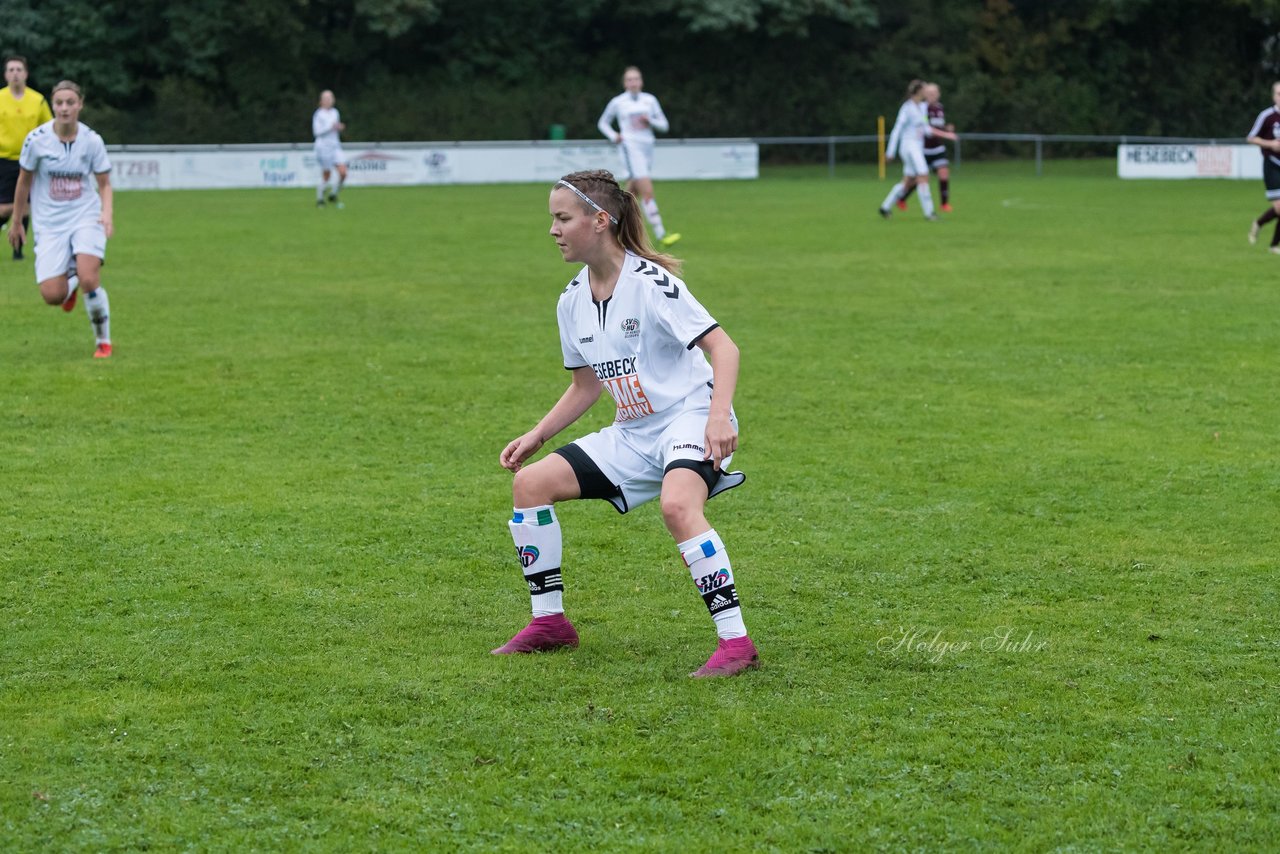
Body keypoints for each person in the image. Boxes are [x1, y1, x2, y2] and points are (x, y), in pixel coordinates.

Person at [494, 169, 756, 678]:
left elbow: (723, 347)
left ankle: (736, 644)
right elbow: (586, 387)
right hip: (634, 432)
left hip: (690, 416)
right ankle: (550, 624)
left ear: (600, 221)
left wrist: (719, 417)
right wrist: (537, 434)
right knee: (530, 484)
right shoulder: (571, 300)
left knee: (678, 504)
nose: (553, 229)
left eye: (562, 218)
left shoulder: (653, 284)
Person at [8, 80, 114, 358]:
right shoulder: (36, 140)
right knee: (52, 295)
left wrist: (106, 214)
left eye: (70, 102)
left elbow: (104, 183)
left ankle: (103, 341)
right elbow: (23, 182)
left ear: (80, 105)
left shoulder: (92, 140)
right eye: (59, 103)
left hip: (85, 215)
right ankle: (71, 285)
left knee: (90, 277)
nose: (64, 108)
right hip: (50, 223)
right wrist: (17, 221)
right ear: (52, 106)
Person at [597, 67, 681, 247]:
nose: (633, 82)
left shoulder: (650, 100)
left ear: (641, 81)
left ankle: (609, 230)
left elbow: (664, 125)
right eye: (629, 79)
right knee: (646, 190)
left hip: (647, 147)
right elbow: (603, 122)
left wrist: (650, 120)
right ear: (624, 83)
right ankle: (661, 234)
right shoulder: (618, 102)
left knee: (629, 196)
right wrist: (614, 136)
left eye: (636, 79)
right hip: (630, 147)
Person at [878, 79, 957, 221]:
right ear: (919, 91)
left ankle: (885, 207)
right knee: (923, 174)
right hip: (909, 146)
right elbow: (897, 130)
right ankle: (929, 213)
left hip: (917, 147)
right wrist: (890, 151)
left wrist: (945, 133)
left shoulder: (922, 107)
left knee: (908, 181)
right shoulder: (907, 108)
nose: (928, 92)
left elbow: (926, 128)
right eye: (925, 90)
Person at [0, 55, 53, 261]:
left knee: (27, 207)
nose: (15, 74)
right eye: (11, 70)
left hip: (31, 161)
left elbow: (49, 128)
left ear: (26, 74)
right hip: (4, 159)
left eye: (19, 70)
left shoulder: (37, 100)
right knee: (5, 208)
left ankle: (18, 251)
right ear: (5, 75)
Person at [897, 82, 955, 213]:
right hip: (922, 149)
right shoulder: (922, 109)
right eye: (929, 93)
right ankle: (901, 198)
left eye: (934, 93)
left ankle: (944, 204)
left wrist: (947, 128)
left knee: (944, 172)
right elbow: (926, 129)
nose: (932, 96)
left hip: (938, 148)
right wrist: (946, 134)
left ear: (939, 94)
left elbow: (937, 126)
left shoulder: (940, 108)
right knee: (918, 179)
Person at [1246, 81, 1280, 253]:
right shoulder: (1267, 116)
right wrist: (1270, 144)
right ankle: (1263, 231)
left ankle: (1273, 245)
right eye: (1279, 94)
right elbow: (1251, 138)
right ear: (1274, 96)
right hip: (1272, 165)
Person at [312, 90, 347, 209]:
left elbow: (335, 128)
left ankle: (333, 194)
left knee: (343, 172)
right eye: (326, 98)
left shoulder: (335, 112)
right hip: (323, 148)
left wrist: (339, 127)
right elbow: (317, 132)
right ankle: (320, 199)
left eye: (330, 98)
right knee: (327, 175)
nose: (328, 100)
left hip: (335, 146)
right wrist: (330, 127)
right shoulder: (318, 114)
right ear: (321, 101)